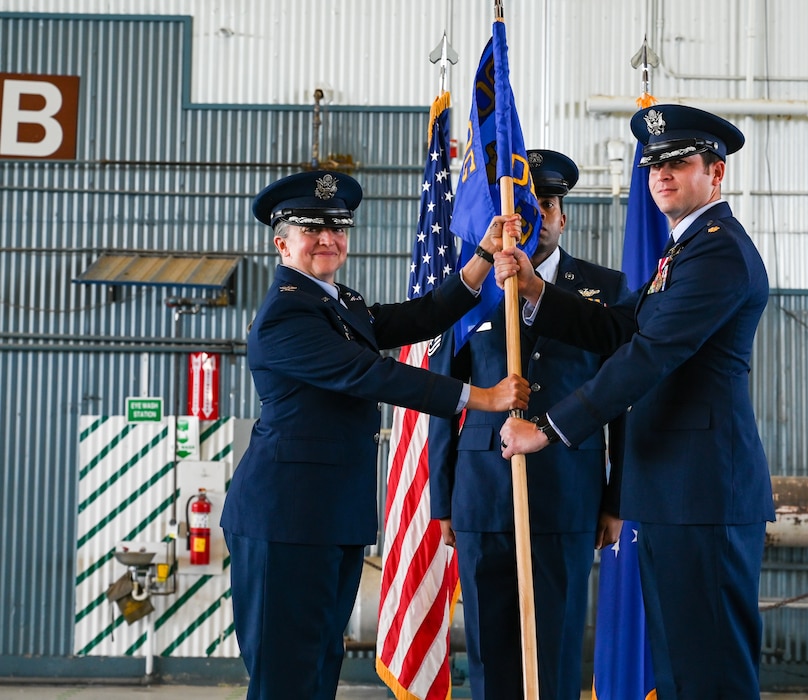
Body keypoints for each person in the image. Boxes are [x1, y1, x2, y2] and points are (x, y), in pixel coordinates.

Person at [495, 106, 775, 699]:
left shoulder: (718, 253)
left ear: (716, 173)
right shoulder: (686, 249)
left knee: (710, 672)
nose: (662, 175)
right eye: (654, 165)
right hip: (678, 490)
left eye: (679, 163)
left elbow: (648, 355)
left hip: (704, 493)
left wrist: (547, 429)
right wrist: (535, 287)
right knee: (679, 665)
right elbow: (620, 327)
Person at [220, 170, 530, 700]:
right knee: (286, 674)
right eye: (310, 229)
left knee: (318, 663)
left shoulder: (335, 301)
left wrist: (481, 255)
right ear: (282, 242)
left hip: (329, 515)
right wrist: (483, 397)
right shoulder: (285, 315)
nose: (328, 239)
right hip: (285, 518)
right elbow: (372, 374)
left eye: (337, 227)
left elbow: (420, 315)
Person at [428, 150, 630, 699]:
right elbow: (445, 391)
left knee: (559, 649)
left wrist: (616, 499)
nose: (536, 214)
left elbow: (624, 400)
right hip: (484, 492)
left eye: (545, 203)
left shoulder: (606, 289)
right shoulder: (471, 286)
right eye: (523, 204)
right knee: (491, 653)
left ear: (562, 214)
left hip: (569, 492)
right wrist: (442, 500)